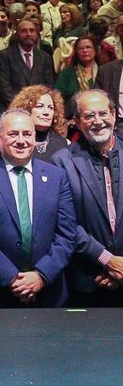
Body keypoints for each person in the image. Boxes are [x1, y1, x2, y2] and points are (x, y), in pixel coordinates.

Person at [0, 109, 78, 308]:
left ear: (35, 138)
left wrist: (41, 276)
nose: (21, 140)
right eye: (13, 134)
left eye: (27, 134)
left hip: (46, 292)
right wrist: (12, 278)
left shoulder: (56, 176)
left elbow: (67, 234)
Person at [49, 90, 123, 307]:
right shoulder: (61, 162)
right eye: (89, 116)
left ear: (114, 115)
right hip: (87, 280)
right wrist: (108, 261)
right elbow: (65, 223)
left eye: (103, 113)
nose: (98, 121)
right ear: (78, 122)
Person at [0, 18, 56, 110]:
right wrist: (22, 109)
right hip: (10, 109)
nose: (28, 34)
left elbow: (49, 86)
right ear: (17, 34)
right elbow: (4, 88)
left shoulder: (45, 57)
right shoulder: (3, 56)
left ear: (37, 34)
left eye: (32, 31)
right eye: (24, 31)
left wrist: (37, 108)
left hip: (38, 110)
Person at [9, 86, 69, 163]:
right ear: (26, 109)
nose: (46, 112)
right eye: (40, 106)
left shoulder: (61, 143)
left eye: (51, 108)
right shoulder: (15, 141)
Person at [55, 35, 99, 103]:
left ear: (95, 50)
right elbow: (57, 96)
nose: (85, 50)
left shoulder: (104, 71)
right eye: (81, 48)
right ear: (76, 52)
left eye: (88, 47)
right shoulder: (67, 73)